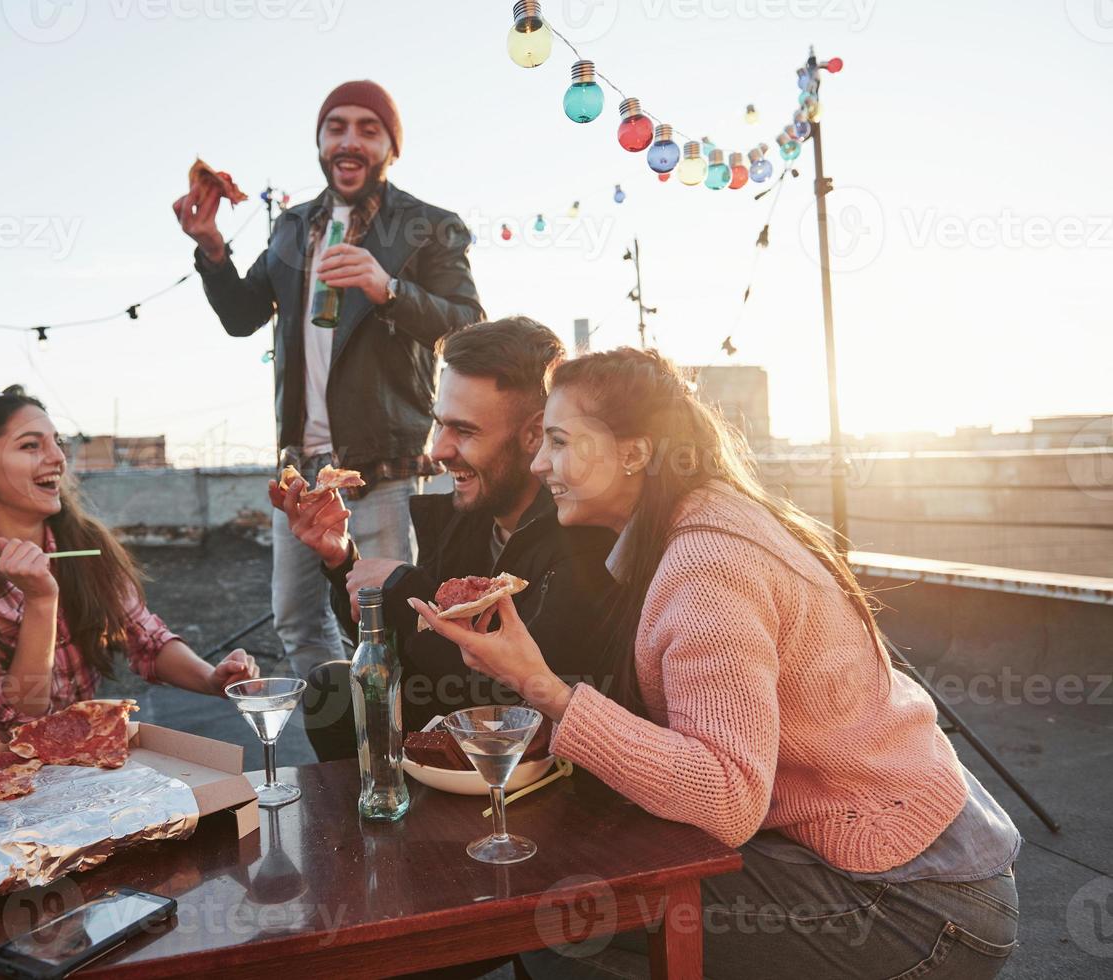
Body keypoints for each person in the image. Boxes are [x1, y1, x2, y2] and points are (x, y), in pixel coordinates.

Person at [412, 347, 1021, 979]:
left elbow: (729, 800)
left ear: (634, 453)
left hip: (917, 906)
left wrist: (540, 687)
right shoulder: (702, 516)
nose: (540, 464)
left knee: (565, 923)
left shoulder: (707, 564)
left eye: (560, 442)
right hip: (928, 863)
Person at [174, 79, 485, 677]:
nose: (350, 140)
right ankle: (344, 749)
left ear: (391, 147)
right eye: (336, 126)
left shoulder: (427, 226)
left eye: (369, 129)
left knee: (393, 620)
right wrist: (213, 249)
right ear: (319, 140)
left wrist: (388, 289)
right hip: (301, 469)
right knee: (296, 619)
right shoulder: (293, 226)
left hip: (385, 464)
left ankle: (399, 757)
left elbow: (469, 329)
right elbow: (242, 317)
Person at [270, 318, 616, 760]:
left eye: (465, 431)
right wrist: (342, 561)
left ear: (534, 435)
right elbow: (401, 658)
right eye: (439, 425)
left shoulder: (582, 540)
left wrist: (408, 590)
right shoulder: (460, 519)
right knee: (334, 689)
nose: (437, 451)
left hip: (534, 765)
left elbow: (511, 703)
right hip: (448, 738)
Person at [0, 387, 259, 759]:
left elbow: (146, 638)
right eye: (31, 446)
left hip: (65, 751)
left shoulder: (85, 543)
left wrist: (211, 679)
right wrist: (41, 601)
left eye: (57, 442)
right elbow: (15, 722)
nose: (57, 458)